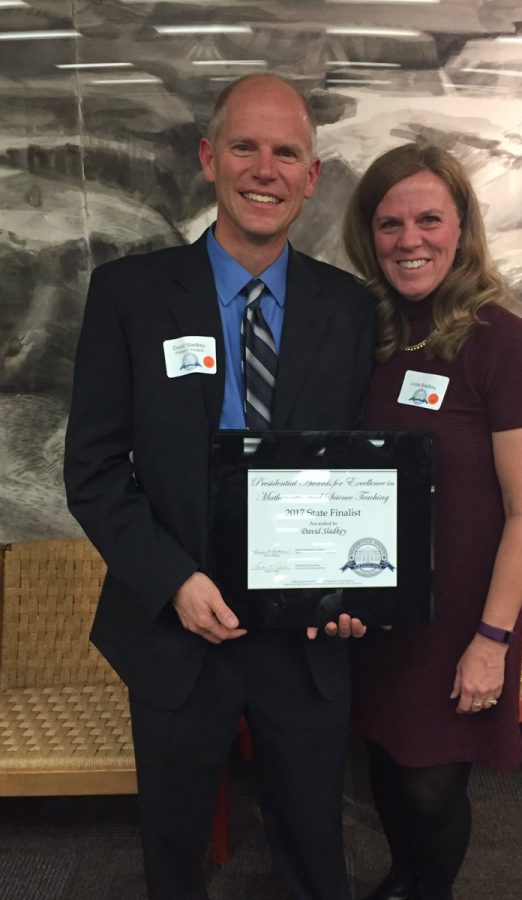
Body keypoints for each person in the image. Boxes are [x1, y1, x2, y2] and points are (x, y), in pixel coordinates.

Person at [64, 74, 376, 900]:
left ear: (312, 175)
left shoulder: (348, 309)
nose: (263, 169)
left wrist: (355, 580)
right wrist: (172, 580)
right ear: (210, 157)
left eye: (286, 153)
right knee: (172, 851)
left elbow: (359, 469)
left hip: (304, 633)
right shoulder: (128, 296)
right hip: (174, 626)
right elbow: (92, 472)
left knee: (315, 845)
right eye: (245, 146)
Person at [343, 143, 522, 900]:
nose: (410, 240)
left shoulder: (502, 342)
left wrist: (491, 642)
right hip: (375, 605)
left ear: (461, 228)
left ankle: (423, 890)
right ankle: (403, 880)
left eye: (429, 219)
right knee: (386, 765)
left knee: (433, 785)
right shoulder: (361, 334)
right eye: (389, 223)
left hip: (463, 615)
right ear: (367, 234)